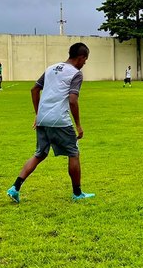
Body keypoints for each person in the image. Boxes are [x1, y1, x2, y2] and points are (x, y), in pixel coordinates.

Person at [7, 42, 95, 203]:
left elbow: (34, 89)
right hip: (60, 120)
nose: (84, 64)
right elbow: (73, 100)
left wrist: (38, 114)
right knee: (73, 153)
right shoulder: (76, 73)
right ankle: (77, 193)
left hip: (43, 119)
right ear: (81, 57)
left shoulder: (51, 68)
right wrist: (79, 125)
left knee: (39, 154)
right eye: (85, 60)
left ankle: (15, 188)